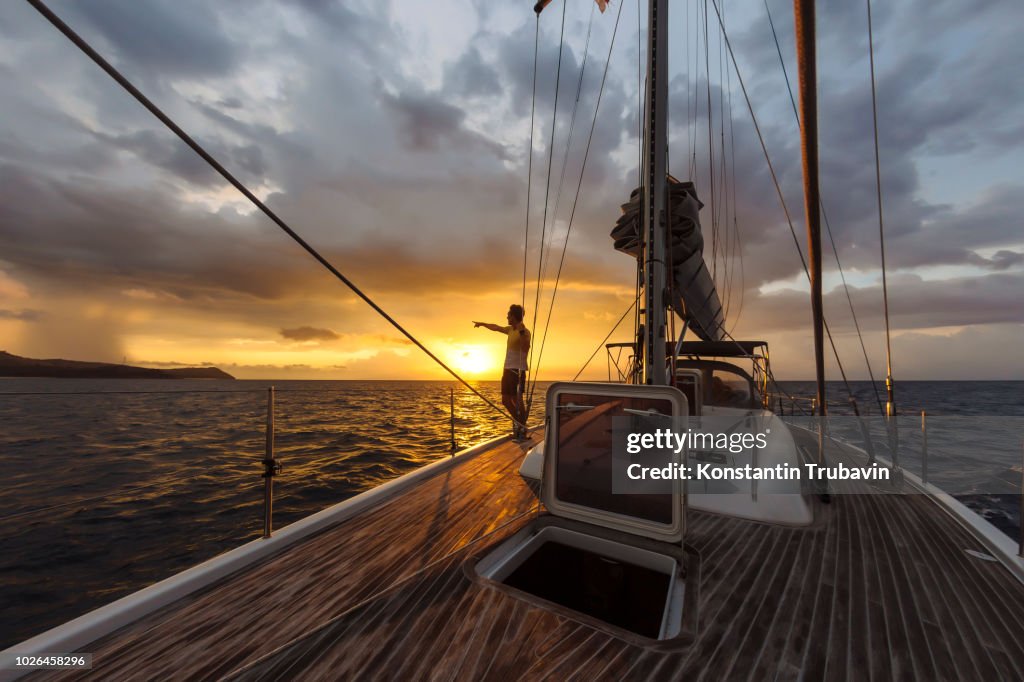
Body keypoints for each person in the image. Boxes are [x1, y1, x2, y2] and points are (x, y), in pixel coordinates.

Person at [473, 304, 531, 439]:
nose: (507, 317)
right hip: (507, 369)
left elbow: (526, 347)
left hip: (518, 370)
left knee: (517, 400)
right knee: (505, 400)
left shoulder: (525, 331)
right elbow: (496, 327)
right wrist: (482, 324)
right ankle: (520, 423)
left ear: (514, 317)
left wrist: (522, 332)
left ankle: (522, 428)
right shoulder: (510, 329)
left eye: (509, 315)